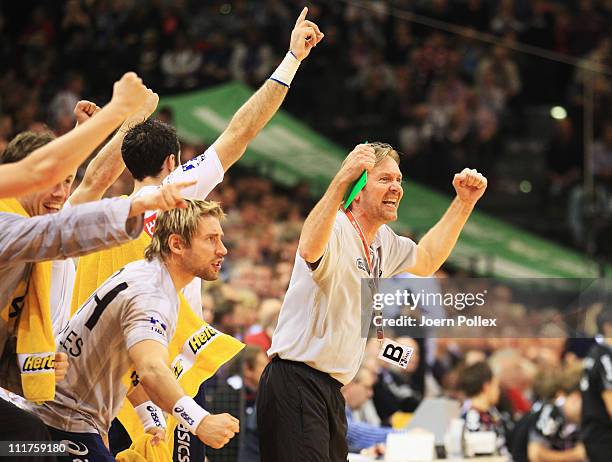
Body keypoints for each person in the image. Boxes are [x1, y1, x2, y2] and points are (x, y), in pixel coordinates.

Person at [258, 141, 487, 461]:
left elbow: (426, 259)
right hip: (296, 381)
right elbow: (309, 248)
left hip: (330, 390)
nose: (396, 188)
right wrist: (341, 180)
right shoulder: (335, 227)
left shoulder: (382, 242)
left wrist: (463, 204)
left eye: (399, 180)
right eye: (385, 179)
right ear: (359, 189)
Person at [30, 200, 239, 461]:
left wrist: (150, 416)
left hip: (61, 418)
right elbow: (151, 369)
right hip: (61, 423)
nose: (223, 249)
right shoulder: (151, 296)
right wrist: (199, 421)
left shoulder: (147, 274)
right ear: (176, 244)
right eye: (211, 239)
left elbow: (134, 367)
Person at [0, 72, 148, 198]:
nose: (61, 194)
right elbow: (44, 171)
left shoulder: (48, 220)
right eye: (51, 184)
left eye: (65, 183)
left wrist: (83, 127)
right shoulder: (8, 214)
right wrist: (120, 107)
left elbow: (88, 183)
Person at [527, 366, 586, 462]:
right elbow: (535, 455)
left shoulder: (585, 419)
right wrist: (574, 455)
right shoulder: (551, 412)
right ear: (576, 397)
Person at [580, 307, 612, 462]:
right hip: (604, 438)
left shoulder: (595, 352)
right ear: (608, 326)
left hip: (595, 436)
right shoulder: (606, 357)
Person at [460, 361, 510, 457]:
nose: (499, 391)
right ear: (486, 387)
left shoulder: (492, 412)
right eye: (496, 386)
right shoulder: (472, 415)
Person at [344, 367, 395, 452]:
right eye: (367, 387)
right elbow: (361, 434)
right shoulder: (336, 411)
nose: (370, 394)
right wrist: (405, 435)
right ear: (349, 384)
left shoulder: (347, 411)